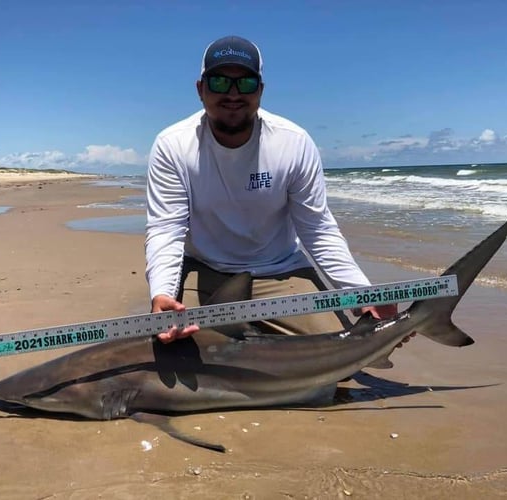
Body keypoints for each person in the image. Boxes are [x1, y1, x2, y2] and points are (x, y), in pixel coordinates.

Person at [145, 35, 402, 344]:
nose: (233, 94)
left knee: (335, 355)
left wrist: (359, 292)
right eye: (219, 82)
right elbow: (166, 229)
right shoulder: (173, 145)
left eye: (246, 83)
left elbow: (318, 230)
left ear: (261, 91)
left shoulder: (292, 142)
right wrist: (162, 292)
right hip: (206, 267)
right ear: (200, 89)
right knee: (175, 354)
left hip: (280, 269)